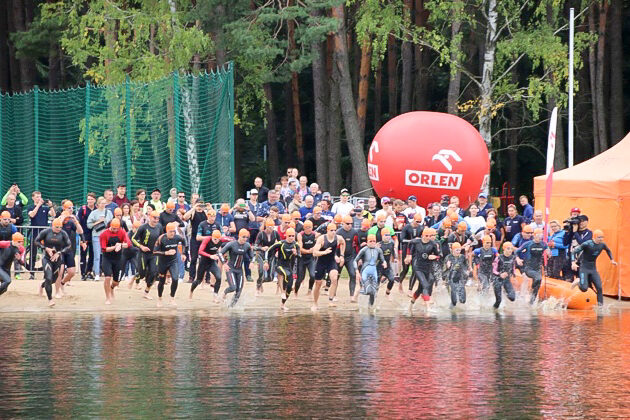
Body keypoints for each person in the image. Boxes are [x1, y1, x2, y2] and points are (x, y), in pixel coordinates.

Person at [571, 229, 617, 306]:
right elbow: (574, 251)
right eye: (599, 237)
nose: (601, 239)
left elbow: (608, 250)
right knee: (584, 288)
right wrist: (573, 262)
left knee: (599, 287)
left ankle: (600, 306)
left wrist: (612, 260)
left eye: (602, 237)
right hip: (584, 268)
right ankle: (578, 281)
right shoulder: (587, 244)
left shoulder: (602, 245)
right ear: (594, 237)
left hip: (593, 268)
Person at [36, 218, 71, 307]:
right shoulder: (46, 232)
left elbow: (69, 245)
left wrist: (60, 252)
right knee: (48, 277)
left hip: (57, 259)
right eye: (56, 227)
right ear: (52, 226)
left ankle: (42, 285)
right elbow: (36, 241)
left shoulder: (63, 233)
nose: (58, 229)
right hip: (47, 258)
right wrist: (45, 248)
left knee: (54, 279)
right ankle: (50, 299)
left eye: (60, 227)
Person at [265, 228, 301, 311]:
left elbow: (299, 255)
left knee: (289, 287)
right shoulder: (281, 243)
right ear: (286, 236)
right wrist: (267, 261)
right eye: (289, 236)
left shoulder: (296, 245)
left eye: (293, 236)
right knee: (284, 274)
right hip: (280, 265)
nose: (291, 237)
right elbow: (269, 250)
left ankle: (283, 304)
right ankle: (282, 291)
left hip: (289, 267)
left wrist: (296, 253)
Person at [311, 223, 345, 311]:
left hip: (331, 262)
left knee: (334, 278)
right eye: (331, 230)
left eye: (335, 230)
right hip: (321, 262)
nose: (333, 232)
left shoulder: (338, 238)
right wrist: (324, 252)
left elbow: (343, 243)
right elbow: (314, 252)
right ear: (327, 231)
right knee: (318, 283)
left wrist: (341, 255)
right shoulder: (322, 239)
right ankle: (315, 303)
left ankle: (330, 300)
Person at [405, 228, 440, 310]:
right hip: (418, 267)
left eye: (429, 236)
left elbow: (439, 256)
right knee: (425, 285)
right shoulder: (416, 242)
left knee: (419, 289)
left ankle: (410, 305)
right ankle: (428, 308)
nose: (428, 237)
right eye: (426, 236)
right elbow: (409, 244)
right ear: (422, 236)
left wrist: (435, 257)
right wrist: (408, 255)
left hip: (427, 268)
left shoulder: (433, 244)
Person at [219, 229, 255, 307]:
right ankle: (224, 292)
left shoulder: (247, 245)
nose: (245, 239)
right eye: (243, 237)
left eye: (246, 237)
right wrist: (224, 264)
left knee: (238, 291)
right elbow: (220, 253)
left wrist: (252, 262)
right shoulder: (231, 244)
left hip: (239, 270)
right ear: (239, 236)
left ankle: (231, 307)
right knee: (233, 287)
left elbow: (253, 256)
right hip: (230, 269)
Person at [153, 222, 186, 307]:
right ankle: (160, 298)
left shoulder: (177, 237)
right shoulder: (161, 239)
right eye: (171, 231)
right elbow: (154, 252)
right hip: (162, 263)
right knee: (161, 282)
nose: (172, 233)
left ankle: (172, 298)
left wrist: (183, 253)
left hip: (173, 261)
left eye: (174, 231)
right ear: (167, 231)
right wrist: (166, 253)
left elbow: (184, 242)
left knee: (175, 279)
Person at [132, 210, 163, 299]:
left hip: (154, 254)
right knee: (142, 273)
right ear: (150, 217)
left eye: (158, 218)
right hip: (143, 253)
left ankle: (146, 292)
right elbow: (133, 238)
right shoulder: (143, 227)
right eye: (154, 218)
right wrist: (141, 246)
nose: (156, 220)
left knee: (154, 272)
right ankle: (135, 279)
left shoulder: (159, 227)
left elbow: (161, 238)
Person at [99, 218, 131, 304]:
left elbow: (128, 244)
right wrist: (115, 247)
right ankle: (108, 297)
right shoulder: (104, 234)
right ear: (110, 226)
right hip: (107, 258)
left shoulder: (122, 232)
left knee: (116, 282)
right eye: (113, 228)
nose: (115, 230)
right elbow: (104, 249)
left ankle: (112, 288)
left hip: (118, 258)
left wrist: (120, 244)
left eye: (117, 229)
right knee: (107, 277)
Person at [516, 228, 549, 304]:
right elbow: (516, 251)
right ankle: (528, 292)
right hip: (529, 268)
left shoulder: (543, 244)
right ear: (534, 236)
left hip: (538, 268)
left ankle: (531, 303)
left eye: (541, 235)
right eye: (538, 235)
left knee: (538, 283)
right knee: (538, 278)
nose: (539, 237)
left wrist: (548, 253)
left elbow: (547, 250)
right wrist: (518, 259)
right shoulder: (528, 244)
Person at [26, 191, 56, 277]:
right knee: (33, 253)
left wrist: (50, 206)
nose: (39, 198)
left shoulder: (45, 208)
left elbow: (53, 215)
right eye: (37, 197)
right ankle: (32, 273)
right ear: (33, 198)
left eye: (40, 197)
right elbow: (32, 215)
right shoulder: (30, 207)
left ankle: (46, 273)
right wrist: (38, 205)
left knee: (46, 253)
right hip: (35, 233)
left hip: (45, 234)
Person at [353, 234, 386, 309]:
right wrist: (356, 271)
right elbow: (355, 260)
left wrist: (384, 262)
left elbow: (382, 259)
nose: (372, 243)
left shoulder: (378, 250)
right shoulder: (364, 249)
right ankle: (360, 294)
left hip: (374, 271)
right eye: (370, 241)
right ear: (367, 242)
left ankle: (370, 306)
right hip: (365, 271)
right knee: (368, 290)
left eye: (374, 241)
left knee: (373, 291)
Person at [191, 230, 225, 302]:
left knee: (218, 278)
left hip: (212, 263)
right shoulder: (207, 239)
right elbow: (200, 251)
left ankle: (215, 297)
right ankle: (191, 292)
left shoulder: (220, 240)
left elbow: (230, 239)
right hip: (203, 262)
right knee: (198, 281)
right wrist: (210, 256)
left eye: (218, 239)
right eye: (215, 239)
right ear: (212, 237)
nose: (216, 241)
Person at [59, 201, 84, 290]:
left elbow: (80, 232)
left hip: (70, 246)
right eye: (69, 208)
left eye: (72, 208)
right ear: (64, 208)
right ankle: (57, 289)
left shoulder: (72, 220)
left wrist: (76, 222)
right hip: (59, 248)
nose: (71, 210)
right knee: (60, 270)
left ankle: (63, 282)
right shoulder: (59, 218)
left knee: (72, 271)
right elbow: (57, 228)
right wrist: (63, 218)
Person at [86, 197, 113, 281]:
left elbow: (111, 224)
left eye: (104, 203)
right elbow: (89, 225)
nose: (103, 205)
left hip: (107, 236)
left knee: (107, 255)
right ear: (98, 204)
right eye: (101, 203)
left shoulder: (108, 212)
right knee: (97, 255)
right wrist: (98, 222)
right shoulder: (94, 213)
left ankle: (107, 272)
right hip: (96, 236)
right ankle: (97, 273)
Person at [184, 200, 208, 285]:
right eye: (199, 204)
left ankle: (206, 277)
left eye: (201, 204)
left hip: (203, 238)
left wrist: (209, 207)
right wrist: (194, 207)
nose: (200, 206)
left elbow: (212, 218)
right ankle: (191, 276)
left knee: (205, 258)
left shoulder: (205, 213)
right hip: (194, 238)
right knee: (194, 258)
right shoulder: (193, 212)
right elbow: (185, 217)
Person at [336, 215, 360, 298]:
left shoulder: (354, 232)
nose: (349, 225)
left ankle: (352, 295)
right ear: (343, 223)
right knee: (336, 276)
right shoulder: (338, 232)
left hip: (350, 257)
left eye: (351, 224)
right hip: (339, 257)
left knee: (353, 275)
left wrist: (358, 257)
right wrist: (336, 256)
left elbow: (357, 245)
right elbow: (334, 246)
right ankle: (333, 295)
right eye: (347, 223)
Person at [254, 218, 280, 294]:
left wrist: (278, 251)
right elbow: (255, 246)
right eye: (269, 227)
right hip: (261, 254)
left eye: (272, 227)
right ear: (266, 226)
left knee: (270, 277)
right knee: (261, 273)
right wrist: (262, 248)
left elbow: (280, 244)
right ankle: (258, 286)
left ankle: (262, 282)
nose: (271, 229)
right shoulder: (261, 234)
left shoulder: (275, 233)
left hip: (271, 254)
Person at [492, 242, 517, 309]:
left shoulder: (513, 258)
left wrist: (514, 275)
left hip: (506, 280)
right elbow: (493, 270)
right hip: (497, 280)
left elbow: (513, 268)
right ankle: (494, 311)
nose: (510, 250)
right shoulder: (499, 258)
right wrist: (500, 274)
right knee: (498, 301)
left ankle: (505, 291)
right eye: (508, 249)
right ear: (504, 249)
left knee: (512, 298)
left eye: (511, 249)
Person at [77, 193, 96, 280]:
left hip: (95, 235)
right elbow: (78, 221)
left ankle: (89, 271)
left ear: (95, 200)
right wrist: (81, 235)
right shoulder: (83, 209)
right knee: (83, 254)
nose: (90, 201)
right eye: (88, 199)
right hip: (84, 235)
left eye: (91, 199)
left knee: (92, 254)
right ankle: (83, 273)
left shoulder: (97, 209)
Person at [0, 232, 25, 297]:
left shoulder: (21, 249)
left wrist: (19, 259)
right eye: (18, 242)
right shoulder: (5, 244)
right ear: (14, 241)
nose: (20, 244)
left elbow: (22, 262)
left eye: (21, 242)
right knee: (8, 280)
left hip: (6, 269)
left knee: (5, 288)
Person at [444, 242, 468, 307]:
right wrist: (448, 265)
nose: (458, 252)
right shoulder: (448, 257)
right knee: (454, 301)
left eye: (459, 250)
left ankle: (459, 313)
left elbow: (466, 266)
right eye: (456, 250)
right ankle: (451, 312)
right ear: (452, 250)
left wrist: (466, 272)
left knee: (463, 300)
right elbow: (446, 266)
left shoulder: (462, 257)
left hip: (459, 279)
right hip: (450, 280)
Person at [296, 220, 316, 296]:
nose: (308, 229)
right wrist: (309, 251)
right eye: (306, 227)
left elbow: (317, 246)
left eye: (310, 227)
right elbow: (300, 249)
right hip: (302, 258)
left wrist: (313, 250)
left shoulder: (315, 235)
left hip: (310, 259)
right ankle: (296, 292)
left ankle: (310, 290)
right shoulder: (300, 235)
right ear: (304, 228)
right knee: (300, 278)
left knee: (313, 275)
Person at [379, 230, 398, 300]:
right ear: (382, 236)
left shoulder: (391, 244)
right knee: (377, 281)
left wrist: (395, 258)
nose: (388, 237)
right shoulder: (379, 245)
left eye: (388, 235)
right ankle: (373, 295)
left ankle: (387, 293)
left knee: (392, 279)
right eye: (386, 235)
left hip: (387, 267)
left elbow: (393, 252)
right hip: (379, 266)